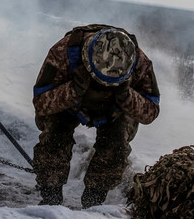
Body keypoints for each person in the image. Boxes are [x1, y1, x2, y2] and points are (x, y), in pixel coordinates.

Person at [32, 24, 160, 208]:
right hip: (69, 105)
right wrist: (74, 90)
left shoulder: (139, 62)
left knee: (116, 147)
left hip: (115, 110)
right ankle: (50, 198)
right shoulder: (63, 52)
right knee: (54, 139)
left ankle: (93, 202)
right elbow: (40, 102)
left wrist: (126, 96)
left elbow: (151, 112)